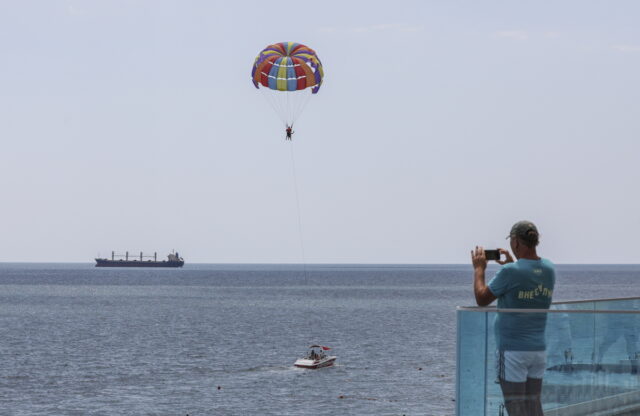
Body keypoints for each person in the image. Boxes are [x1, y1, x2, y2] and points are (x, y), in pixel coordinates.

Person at [471, 220, 556, 416]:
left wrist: (479, 269)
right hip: (538, 350)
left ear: (516, 242)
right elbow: (526, 281)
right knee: (534, 406)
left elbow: (482, 298)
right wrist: (512, 263)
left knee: (515, 407)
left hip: (512, 351)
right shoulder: (549, 268)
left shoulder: (510, 272)